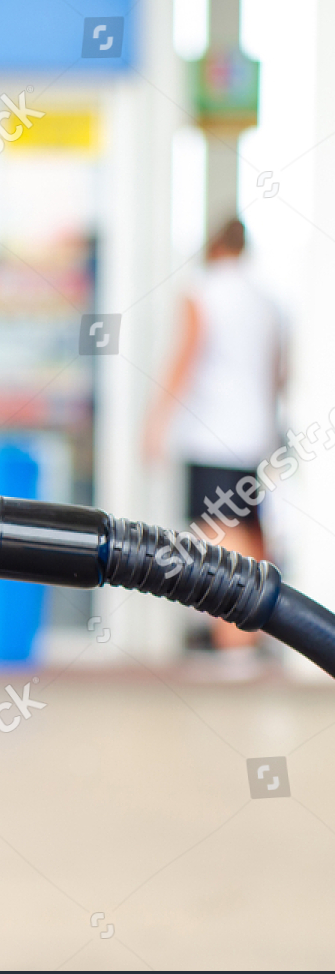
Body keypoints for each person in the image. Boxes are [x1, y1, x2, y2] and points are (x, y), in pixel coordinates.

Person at [145, 218, 285, 659]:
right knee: (249, 528)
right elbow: (280, 373)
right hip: (254, 432)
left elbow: (185, 357)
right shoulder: (268, 301)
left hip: (212, 434)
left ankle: (235, 641)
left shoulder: (202, 292)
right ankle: (260, 632)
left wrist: (156, 421)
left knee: (220, 532)